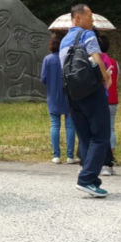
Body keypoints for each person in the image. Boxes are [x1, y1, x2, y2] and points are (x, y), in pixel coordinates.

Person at [59, 4, 112, 198]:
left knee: (85, 136)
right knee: (101, 135)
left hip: (72, 92)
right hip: (91, 91)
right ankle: (86, 179)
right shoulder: (87, 35)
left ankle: (91, 179)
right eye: (89, 16)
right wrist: (106, 78)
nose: (92, 20)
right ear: (78, 18)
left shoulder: (64, 40)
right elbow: (96, 58)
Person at [41, 32, 76, 165]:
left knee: (55, 125)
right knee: (70, 126)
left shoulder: (47, 59)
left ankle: (56, 156)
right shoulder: (69, 59)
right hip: (69, 95)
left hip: (53, 96)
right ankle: (70, 156)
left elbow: (43, 78)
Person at [97, 33, 118, 176]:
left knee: (98, 130)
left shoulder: (95, 61)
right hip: (113, 98)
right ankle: (111, 154)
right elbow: (116, 79)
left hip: (99, 99)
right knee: (111, 128)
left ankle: (100, 159)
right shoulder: (114, 62)